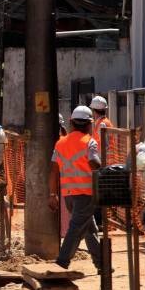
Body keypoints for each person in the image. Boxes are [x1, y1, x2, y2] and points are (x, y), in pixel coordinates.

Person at [49, 105, 102, 273]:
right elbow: (94, 162)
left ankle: (102, 264)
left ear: (71, 123)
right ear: (88, 124)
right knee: (75, 230)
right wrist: (102, 167)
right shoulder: (90, 142)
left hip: (68, 196)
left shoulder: (60, 143)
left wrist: (52, 194)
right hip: (86, 194)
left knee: (89, 229)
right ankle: (62, 262)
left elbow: (53, 170)